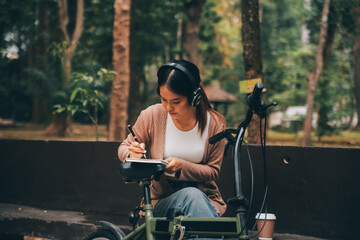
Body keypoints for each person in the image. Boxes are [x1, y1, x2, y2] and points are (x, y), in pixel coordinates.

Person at [118, 59, 227, 239]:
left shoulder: (215, 123)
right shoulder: (152, 115)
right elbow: (123, 147)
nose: (168, 107)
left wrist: (182, 166)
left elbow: (212, 171)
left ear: (194, 97)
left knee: (193, 198)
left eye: (176, 101)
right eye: (163, 99)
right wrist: (131, 153)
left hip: (203, 200)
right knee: (192, 199)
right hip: (161, 202)